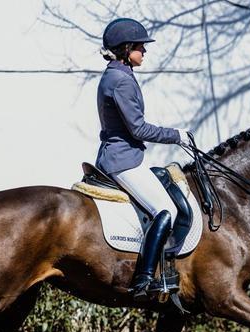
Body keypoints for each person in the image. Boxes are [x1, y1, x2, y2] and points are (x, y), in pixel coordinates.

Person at [95, 18, 191, 301]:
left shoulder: (118, 74)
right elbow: (138, 128)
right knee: (166, 209)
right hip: (122, 159)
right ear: (125, 49)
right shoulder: (120, 80)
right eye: (140, 47)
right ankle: (146, 278)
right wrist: (177, 135)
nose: (144, 51)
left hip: (122, 154)